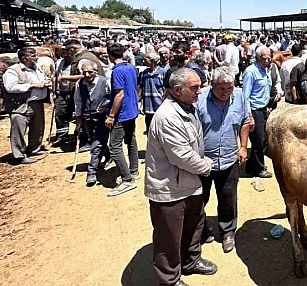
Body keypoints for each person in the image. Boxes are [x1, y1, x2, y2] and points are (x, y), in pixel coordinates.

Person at [144, 68, 218, 286]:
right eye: (195, 87)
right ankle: (169, 280)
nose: (200, 91)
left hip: (189, 182)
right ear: (177, 90)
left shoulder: (187, 107)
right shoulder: (167, 116)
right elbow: (182, 156)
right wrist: (205, 167)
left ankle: (190, 261)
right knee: (169, 236)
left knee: (194, 224)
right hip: (170, 188)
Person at [196, 67, 250, 253]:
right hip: (201, 161)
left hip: (228, 158)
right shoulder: (200, 97)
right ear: (212, 85)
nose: (226, 92)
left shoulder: (240, 96)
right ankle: (201, 230)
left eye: (229, 88)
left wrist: (243, 146)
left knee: (228, 198)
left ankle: (228, 232)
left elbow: (244, 121)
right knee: (199, 198)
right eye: (221, 89)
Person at [2, 48, 51, 165]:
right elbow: (10, 87)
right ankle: (19, 155)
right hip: (21, 105)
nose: (36, 57)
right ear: (24, 58)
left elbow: (42, 79)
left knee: (37, 128)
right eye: (33, 56)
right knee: (18, 130)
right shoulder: (12, 71)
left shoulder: (36, 68)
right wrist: (32, 85)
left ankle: (34, 149)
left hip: (37, 103)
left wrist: (47, 82)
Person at [105, 43, 140, 197]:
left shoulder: (117, 71)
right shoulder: (131, 68)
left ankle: (127, 180)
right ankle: (134, 170)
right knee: (131, 140)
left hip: (122, 113)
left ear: (110, 56)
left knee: (114, 146)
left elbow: (119, 94)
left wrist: (111, 115)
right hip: (132, 110)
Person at [74, 60, 110, 187]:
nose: (88, 75)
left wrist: (106, 106)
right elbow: (78, 101)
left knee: (96, 144)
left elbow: (111, 97)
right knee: (93, 139)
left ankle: (92, 172)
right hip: (87, 117)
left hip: (101, 118)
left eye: (90, 72)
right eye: (85, 72)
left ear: (96, 71)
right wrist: (78, 117)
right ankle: (108, 154)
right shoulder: (80, 84)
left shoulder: (104, 82)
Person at [242, 46, 273, 178]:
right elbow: (245, 96)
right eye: (264, 59)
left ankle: (251, 165)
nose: (267, 61)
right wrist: (250, 116)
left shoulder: (265, 71)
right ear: (258, 58)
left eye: (269, 58)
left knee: (262, 139)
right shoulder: (251, 72)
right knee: (258, 141)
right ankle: (258, 169)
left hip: (262, 109)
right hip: (254, 111)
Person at [51, 40, 82, 147]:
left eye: (67, 52)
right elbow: (55, 77)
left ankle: (78, 135)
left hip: (75, 93)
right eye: (63, 53)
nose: (66, 55)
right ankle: (62, 136)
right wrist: (54, 92)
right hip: (62, 93)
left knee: (78, 114)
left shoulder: (77, 62)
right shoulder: (59, 63)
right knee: (60, 114)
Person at [139, 52, 167, 134]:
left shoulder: (163, 72)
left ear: (153, 60)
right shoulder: (144, 73)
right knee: (150, 131)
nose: (144, 60)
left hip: (160, 108)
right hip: (148, 108)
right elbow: (141, 89)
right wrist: (141, 103)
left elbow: (167, 90)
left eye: (146, 58)